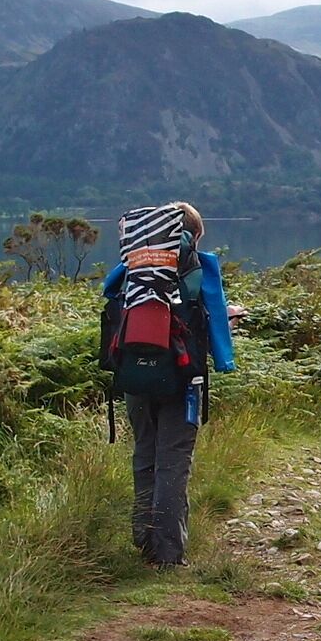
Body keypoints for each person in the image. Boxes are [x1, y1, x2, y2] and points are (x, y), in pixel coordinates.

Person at [105, 201, 238, 566]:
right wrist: (225, 356)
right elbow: (214, 324)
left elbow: (108, 293)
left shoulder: (134, 262)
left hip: (135, 373)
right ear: (194, 233)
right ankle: (167, 554)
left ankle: (143, 538)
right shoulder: (201, 264)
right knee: (173, 461)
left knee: (144, 454)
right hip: (181, 378)